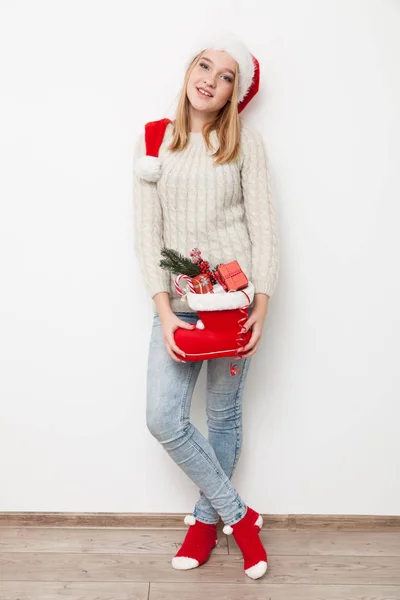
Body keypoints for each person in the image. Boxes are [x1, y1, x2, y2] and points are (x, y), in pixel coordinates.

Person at [132, 31, 279, 580]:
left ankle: (202, 521)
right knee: (163, 418)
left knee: (222, 413)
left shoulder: (246, 144)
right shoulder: (156, 140)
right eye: (203, 66)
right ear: (188, 69)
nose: (209, 81)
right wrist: (166, 311)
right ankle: (239, 518)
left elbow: (264, 226)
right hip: (181, 303)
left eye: (225, 77)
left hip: (235, 301)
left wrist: (262, 304)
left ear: (234, 92)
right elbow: (148, 236)